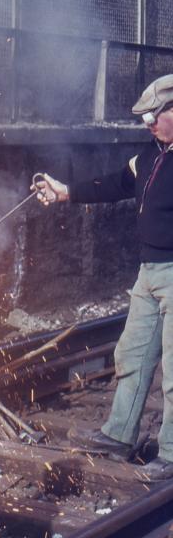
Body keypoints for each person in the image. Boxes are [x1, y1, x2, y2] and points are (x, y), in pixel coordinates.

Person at [33, 73, 173, 482]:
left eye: (154, 115)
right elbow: (114, 184)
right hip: (148, 273)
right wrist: (66, 192)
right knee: (132, 355)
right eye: (144, 117)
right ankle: (119, 434)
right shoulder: (149, 157)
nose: (148, 124)